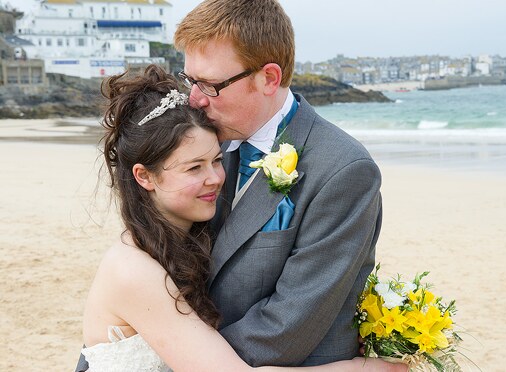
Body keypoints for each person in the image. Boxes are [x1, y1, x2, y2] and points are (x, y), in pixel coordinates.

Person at [77, 65, 404, 371]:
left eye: (216, 160)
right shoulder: (132, 270)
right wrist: (354, 368)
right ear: (145, 177)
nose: (215, 178)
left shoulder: (184, 240)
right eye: (194, 168)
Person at [173, 0, 385, 367]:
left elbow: (285, 329)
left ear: (269, 78)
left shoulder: (344, 170)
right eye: (190, 80)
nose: (194, 99)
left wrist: (178, 356)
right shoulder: (200, 143)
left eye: (209, 84)